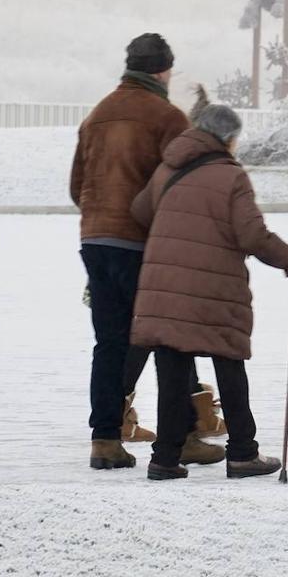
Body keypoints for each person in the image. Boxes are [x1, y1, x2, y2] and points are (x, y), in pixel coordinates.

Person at [71, 33, 224, 470]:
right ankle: (186, 437)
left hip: (95, 241)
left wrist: (101, 219)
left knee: (110, 343)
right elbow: (182, 185)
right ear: (162, 70)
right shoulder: (167, 117)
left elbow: (76, 185)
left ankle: (104, 440)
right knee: (171, 336)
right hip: (143, 244)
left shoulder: (97, 115)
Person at [130, 104, 288, 480]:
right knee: (229, 366)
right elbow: (252, 234)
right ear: (229, 139)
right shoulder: (231, 177)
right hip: (213, 289)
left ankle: (164, 459)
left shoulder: (167, 168)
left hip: (163, 289)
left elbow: (140, 211)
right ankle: (242, 453)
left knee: (172, 375)